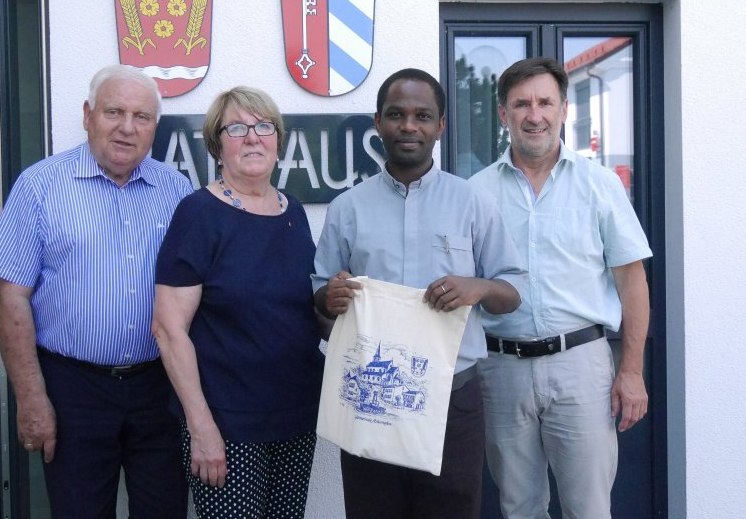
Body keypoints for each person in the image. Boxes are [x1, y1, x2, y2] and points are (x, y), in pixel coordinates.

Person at [0, 64, 192, 518]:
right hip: (72, 389)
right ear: (87, 114)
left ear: (156, 125)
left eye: (142, 116)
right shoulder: (39, 187)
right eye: (114, 111)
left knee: (165, 510)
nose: (127, 128)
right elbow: (8, 296)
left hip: (159, 388)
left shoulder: (176, 190)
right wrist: (32, 399)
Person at [313, 68, 527, 519]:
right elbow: (320, 298)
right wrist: (327, 300)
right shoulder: (347, 209)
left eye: (422, 116)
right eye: (396, 114)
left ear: (440, 126)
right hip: (370, 396)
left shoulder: (472, 203)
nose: (409, 126)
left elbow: (513, 292)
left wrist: (480, 286)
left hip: (454, 399)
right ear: (378, 122)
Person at [470, 57, 652, 519]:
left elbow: (632, 280)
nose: (535, 115)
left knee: (588, 509)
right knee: (518, 508)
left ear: (564, 109)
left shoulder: (600, 185)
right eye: (522, 104)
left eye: (545, 102)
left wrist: (630, 370)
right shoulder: (475, 193)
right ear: (503, 114)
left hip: (581, 367)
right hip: (501, 368)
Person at [151, 86, 325, 519]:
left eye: (263, 126)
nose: (253, 137)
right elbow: (168, 330)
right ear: (216, 144)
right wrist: (201, 426)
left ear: (278, 141)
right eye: (237, 128)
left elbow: (297, 311)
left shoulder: (293, 211)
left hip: (296, 417)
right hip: (228, 426)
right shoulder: (198, 214)